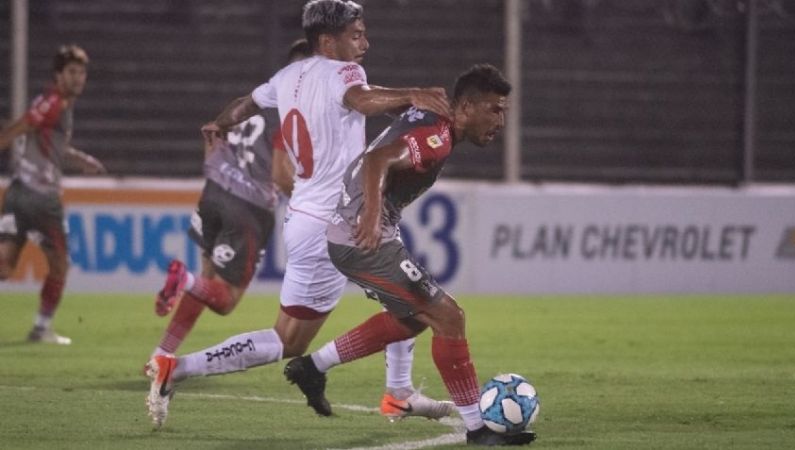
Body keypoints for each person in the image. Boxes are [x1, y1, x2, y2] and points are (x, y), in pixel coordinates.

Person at [145, 0, 454, 428]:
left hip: (304, 219)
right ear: (329, 40)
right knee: (414, 301)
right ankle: (396, 392)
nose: (365, 41)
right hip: (338, 219)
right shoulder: (345, 72)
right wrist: (410, 94)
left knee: (290, 337)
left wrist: (218, 124)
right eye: (356, 34)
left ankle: (174, 368)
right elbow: (362, 100)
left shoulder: (287, 76)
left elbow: (242, 106)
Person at [284, 64, 536, 446]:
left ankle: (312, 367)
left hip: (361, 230)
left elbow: (395, 119)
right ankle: (477, 428)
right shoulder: (437, 136)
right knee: (449, 317)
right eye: (494, 110)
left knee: (413, 318)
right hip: (361, 237)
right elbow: (377, 159)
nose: (501, 121)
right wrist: (369, 215)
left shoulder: (431, 111)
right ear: (465, 107)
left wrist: (407, 94)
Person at [145, 39, 311, 362]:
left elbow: (214, 135)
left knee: (206, 284)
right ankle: (184, 279)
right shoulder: (291, 109)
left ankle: (161, 355)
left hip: (214, 192)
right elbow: (279, 174)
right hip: (247, 209)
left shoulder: (256, 100)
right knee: (226, 300)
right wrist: (309, 202)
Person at [0, 44, 106, 345]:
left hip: (17, 194)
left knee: (4, 269)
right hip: (42, 200)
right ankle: (42, 328)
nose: (78, 78)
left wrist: (81, 159)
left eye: (82, 73)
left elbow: (48, 142)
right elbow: (22, 126)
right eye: (72, 72)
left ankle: (41, 329)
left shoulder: (56, 104)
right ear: (58, 75)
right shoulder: (54, 102)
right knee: (60, 264)